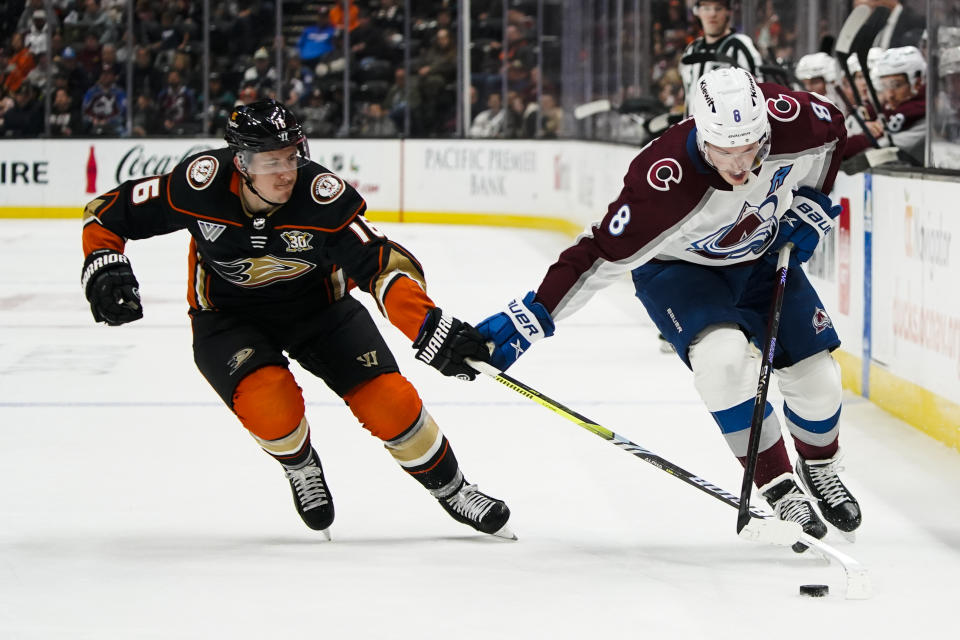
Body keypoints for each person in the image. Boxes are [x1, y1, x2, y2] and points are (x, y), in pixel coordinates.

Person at [465, 68, 863, 551]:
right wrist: (530, 319)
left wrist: (812, 201)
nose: (741, 167)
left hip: (761, 256)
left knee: (819, 380)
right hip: (680, 273)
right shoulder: (663, 180)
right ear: (699, 131)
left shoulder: (793, 119)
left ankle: (819, 466)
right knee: (722, 361)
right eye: (725, 152)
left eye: (751, 149)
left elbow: (833, 133)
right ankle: (778, 485)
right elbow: (597, 256)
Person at [79, 99, 512, 540]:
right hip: (228, 318)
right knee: (271, 404)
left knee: (391, 402)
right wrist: (103, 259)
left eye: (292, 156)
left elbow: (380, 262)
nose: (287, 171)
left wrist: (427, 324)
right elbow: (105, 212)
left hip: (321, 311)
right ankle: (299, 463)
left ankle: (455, 490)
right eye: (272, 162)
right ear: (241, 163)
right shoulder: (199, 185)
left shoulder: (321, 197)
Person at [679, 0, 764, 113]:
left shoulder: (741, 46)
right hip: (693, 127)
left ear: (728, 12)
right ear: (697, 11)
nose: (712, 14)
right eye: (706, 8)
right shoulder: (692, 49)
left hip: (732, 127)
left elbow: (760, 91)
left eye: (718, 8)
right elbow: (688, 94)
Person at [845, 46, 927, 162]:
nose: (890, 95)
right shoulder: (885, 109)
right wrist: (864, 127)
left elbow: (878, 152)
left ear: (917, 83)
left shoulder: (925, 116)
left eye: (896, 85)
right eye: (885, 86)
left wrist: (866, 135)